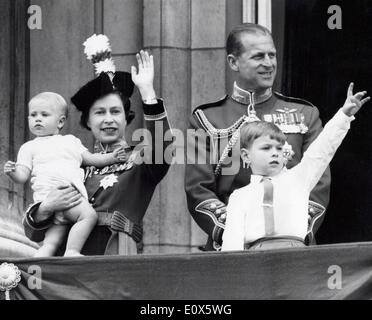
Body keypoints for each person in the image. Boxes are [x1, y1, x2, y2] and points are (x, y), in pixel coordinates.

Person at [185, 23, 331, 251]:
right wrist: (239, 229)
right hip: (231, 244)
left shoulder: (304, 114)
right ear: (233, 62)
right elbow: (198, 189)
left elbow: (318, 185)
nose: (269, 63)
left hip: (292, 244)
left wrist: (290, 231)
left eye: (272, 55)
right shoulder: (207, 118)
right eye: (258, 56)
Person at [22, 34, 172, 255]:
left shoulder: (139, 158)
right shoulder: (72, 163)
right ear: (88, 122)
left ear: (126, 118)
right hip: (67, 259)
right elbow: (33, 233)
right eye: (100, 113)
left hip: (114, 254)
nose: (108, 119)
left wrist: (148, 94)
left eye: (115, 112)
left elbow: (163, 148)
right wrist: (45, 208)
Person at [222, 83, 369, 251]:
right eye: (266, 148)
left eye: (279, 148)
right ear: (246, 155)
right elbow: (231, 244)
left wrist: (343, 115)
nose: (275, 153)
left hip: (296, 256)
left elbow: (322, 149)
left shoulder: (298, 179)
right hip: (255, 260)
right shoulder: (239, 196)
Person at [4, 92, 127, 257]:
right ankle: (72, 251)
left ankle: (41, 258)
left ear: (60, 121)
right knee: (88, 216)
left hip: (68, 197)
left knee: (51, 241)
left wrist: (112, 157)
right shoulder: (28, 147)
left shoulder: (70, 142)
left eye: (44, 114)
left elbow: (92, 159)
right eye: (33, 115)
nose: (37, 119)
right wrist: (13, 173)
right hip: (52, 196)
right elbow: (22, 176)